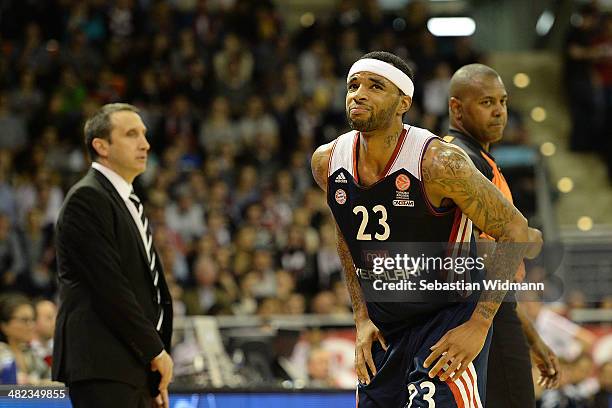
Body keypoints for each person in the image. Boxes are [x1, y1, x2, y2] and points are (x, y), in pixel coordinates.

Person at [311, 51, 543, 407]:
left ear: (403, 101)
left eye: (375, 86)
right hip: (386, 325)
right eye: (353, 85)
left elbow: (516, 229)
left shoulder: (439, 162)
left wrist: (479, 325)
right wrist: (361, 318)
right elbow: (347, 238)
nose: (358, 94)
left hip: (446, 318)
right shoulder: (327, 161)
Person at [443, 63, 561, 407]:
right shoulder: (460, 160)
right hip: (476, 312)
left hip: (491, 307)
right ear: (456, 107)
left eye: (503, 101)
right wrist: (528, 237)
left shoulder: (479, 159)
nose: (499, 112)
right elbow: (485, 257)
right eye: (486, 102)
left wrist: (532, 339)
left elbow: (501, 272)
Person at [52, 103, 174, 408]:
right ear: (101, 146)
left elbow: (143, 286)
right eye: (131, 134)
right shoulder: (87, 197)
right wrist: (155, 351)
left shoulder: (125, 198)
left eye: (144, 134)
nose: (145, 143)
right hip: (104, 364)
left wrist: (154, 363)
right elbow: (109, 287)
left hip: (134, 365)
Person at [0, 293, 50, 384]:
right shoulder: (2, 353)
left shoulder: (31, 353)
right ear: (4, 325)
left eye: (33, 320)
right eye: (24, 320)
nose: (31, 325)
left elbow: (52, 379)